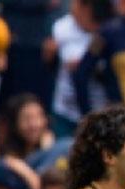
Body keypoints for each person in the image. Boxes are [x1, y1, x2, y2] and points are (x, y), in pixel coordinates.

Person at [48, 0, 114, 137]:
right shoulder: (63, 27)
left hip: (101, 109)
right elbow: (68, 65)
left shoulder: (108, 31)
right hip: (66, 110)